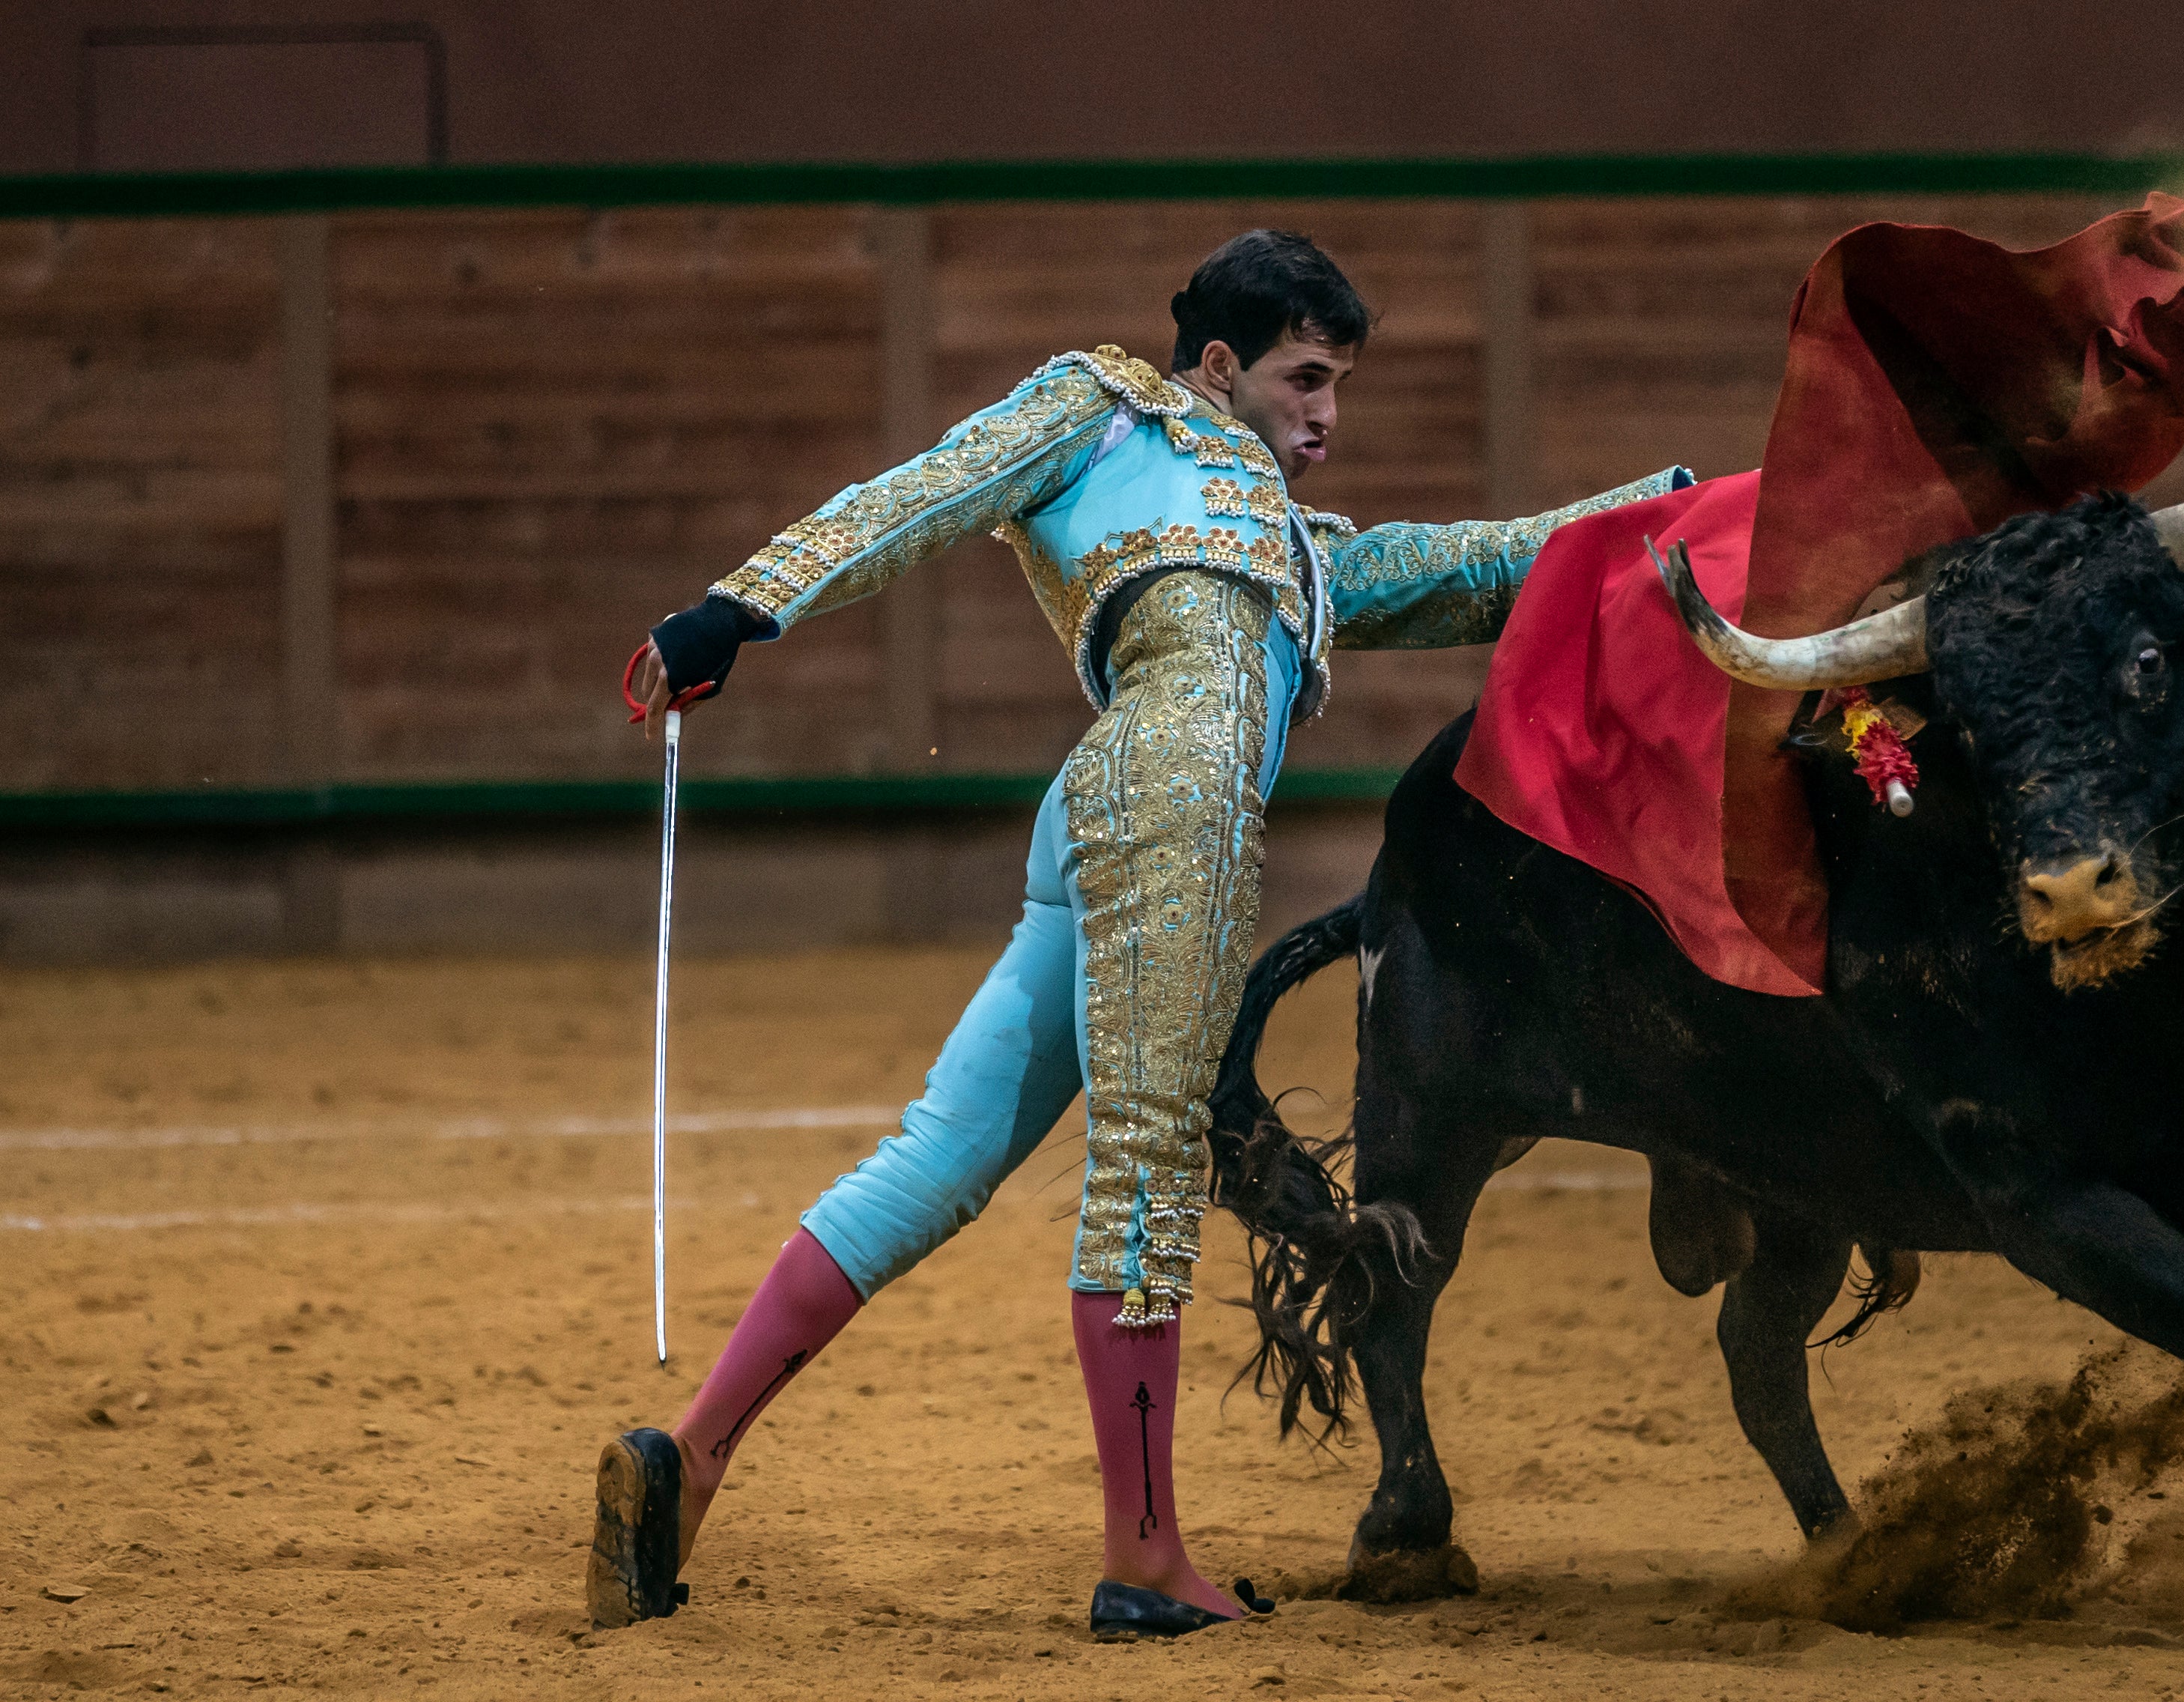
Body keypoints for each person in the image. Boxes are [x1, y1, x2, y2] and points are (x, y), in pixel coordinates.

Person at [587, 228, 1687, 1639]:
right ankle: (1146, 1558)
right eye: (1304, 379)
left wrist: (1675, 508)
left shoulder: (1303, 554)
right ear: (1218, 364)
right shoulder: (1103, 409)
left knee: (945, 1152)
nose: (1328, 416)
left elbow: (1483, 565)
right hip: (1174, 802)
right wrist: (739, 608)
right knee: (1149, 1168)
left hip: (1099, 801)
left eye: (1340, 385)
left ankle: (691, 1461)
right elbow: (926, 492)